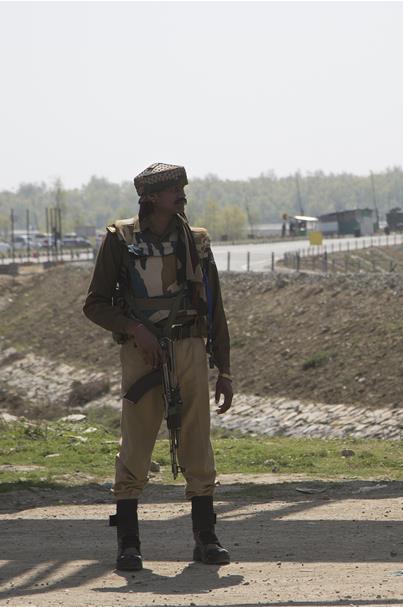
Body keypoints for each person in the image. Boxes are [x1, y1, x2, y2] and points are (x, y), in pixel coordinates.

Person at [83, 162, 233, 571]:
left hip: (188, 347)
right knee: (136, 443)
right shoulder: (121, 239)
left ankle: (206, 537)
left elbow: (215, 309)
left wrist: (225, 369)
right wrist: (136, 329)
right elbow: (95, 304)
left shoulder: (196, 242)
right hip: (142, 352)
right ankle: (128, 544)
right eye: (172, 188)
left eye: (182, 187)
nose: (181, 194)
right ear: (150, 197)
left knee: (197, 443)